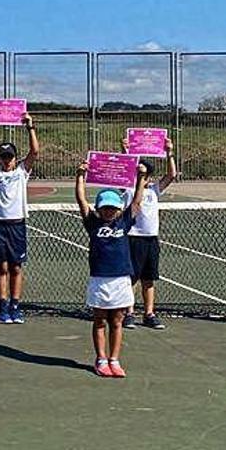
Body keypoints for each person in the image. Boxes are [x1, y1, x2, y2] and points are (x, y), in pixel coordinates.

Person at [75, 159, 147, 378]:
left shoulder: (124, 222)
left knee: (117, 321)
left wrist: (141, 178)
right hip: (100, 279)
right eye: (105, 207)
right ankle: (101, 359)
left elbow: (136, 202)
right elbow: (81, 199)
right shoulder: (93, 223)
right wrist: (80, 175)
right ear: (99, 208)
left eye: (113, 207)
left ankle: (114, 359)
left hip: (120, 280)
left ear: (118, 209)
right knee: (99, 320)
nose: (109, 211)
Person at [0, 112, 39, 324]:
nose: (6, 160)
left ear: (15, 158)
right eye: (3, 157)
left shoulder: (22, 172)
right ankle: (2, 306)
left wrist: (30, 127)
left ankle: (15, 305)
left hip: (18, 225)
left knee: (16, 267)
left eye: (9, 156)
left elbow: (35, 151)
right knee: (1, 267)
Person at [119, 137, 178, 330]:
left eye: (145, 175)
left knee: (148, 279)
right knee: (132, 278)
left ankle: (149, 314)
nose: (142, 178)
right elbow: (126, 170)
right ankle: (129, 312)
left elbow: (172, 175)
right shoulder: (128, 189)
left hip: (151, 239)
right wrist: (125, 151)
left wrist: (169, 152)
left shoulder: (154, 190)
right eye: (139, 175)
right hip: (132, 238)